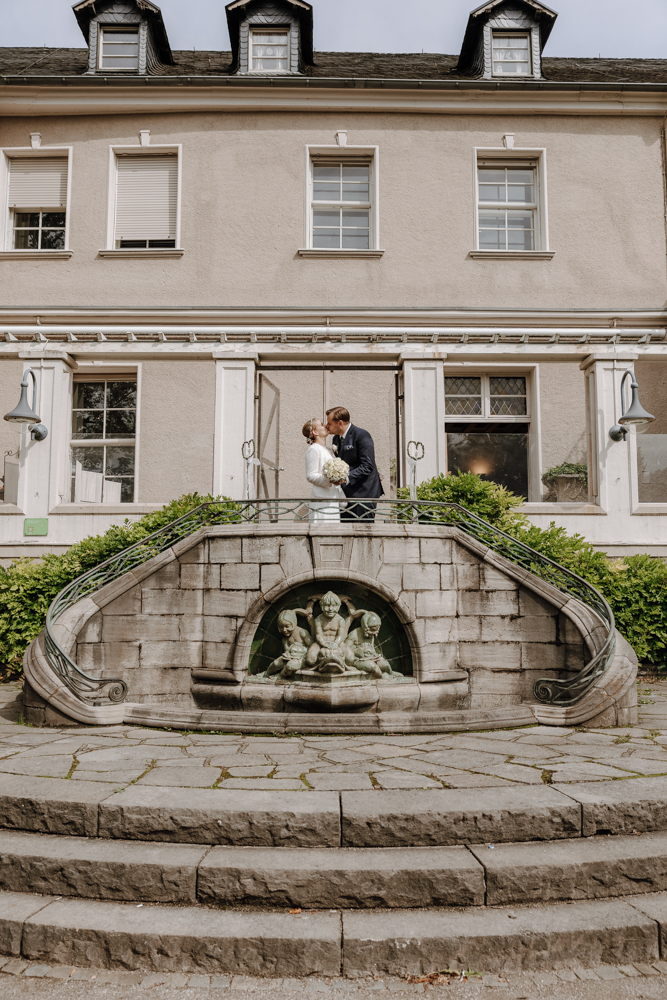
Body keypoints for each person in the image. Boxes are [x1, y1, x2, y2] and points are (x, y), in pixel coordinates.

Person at [326, 406, 383, 521]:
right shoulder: (335, 439)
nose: (327, 426)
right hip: (346, 493)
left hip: (364, 493)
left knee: (363, 531)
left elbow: (367, 465)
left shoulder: (362, 435)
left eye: (329, 423)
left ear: (340, 423)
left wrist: (345, 478)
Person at [302, 417, 345, 522]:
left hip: (332, 499)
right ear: (315, 432)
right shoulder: (313, 450)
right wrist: (330, 480)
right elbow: (310, 475)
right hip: (322, 501)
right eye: (321, 424)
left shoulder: (329, 449)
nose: (326, 425)